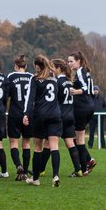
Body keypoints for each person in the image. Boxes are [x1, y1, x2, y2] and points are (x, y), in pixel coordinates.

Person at [22, 54, 63, 187]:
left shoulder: (35, 79)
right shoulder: (55, 79)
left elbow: (30, 99)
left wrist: (26, 114)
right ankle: (56, 176)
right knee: (54, 147)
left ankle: (35, 178)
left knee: (38, 147)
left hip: (40, 115)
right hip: (55, 114)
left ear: (37, 66)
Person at [67, 52, 98, 175]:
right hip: (89, 106)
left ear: (78, 61)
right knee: (78, 139)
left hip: (82, 107)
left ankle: (84, 168)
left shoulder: (80, 71)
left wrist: (74, 91)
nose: (69, 64)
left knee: (76, 139)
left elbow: (85, 89)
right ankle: (88, 161)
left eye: (71, 61)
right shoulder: (85, 71)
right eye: (68, 61)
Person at [4, 54, 34, 180]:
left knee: (14, 143)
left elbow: (6, 95)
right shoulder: (32, 77)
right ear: (26, 66)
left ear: (15, 66)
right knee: (26, 143)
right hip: (28, 114)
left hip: (15, 113)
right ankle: (25, 172)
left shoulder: (11, 76)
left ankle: (18, 165)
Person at [53, 58, 81, 177]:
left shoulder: (57, 82)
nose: (52, 70)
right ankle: (78, 169)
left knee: (50, 143)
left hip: (60, 115)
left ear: (58, 69)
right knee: (70, 142)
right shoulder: (69, 82)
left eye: (53, 67)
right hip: (70, 115)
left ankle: (40, 170)